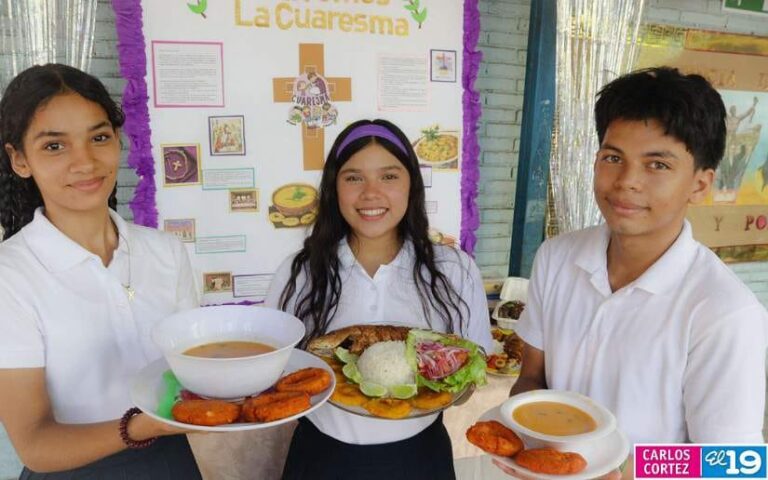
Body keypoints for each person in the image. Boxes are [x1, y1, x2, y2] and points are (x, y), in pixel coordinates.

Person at [507, 67, 768, 467]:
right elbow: (533, 379)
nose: (627, 181)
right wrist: (530, 445)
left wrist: (621, 471)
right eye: (613, 157)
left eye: (657, 165)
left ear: (700, 184)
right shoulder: (556, 258)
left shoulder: (725, 313)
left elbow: (734, 465)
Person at [0, 64, 202, 479]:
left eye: (99, 137)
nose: (86, 162)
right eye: (55, 147)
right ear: (19, 159)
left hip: (175, 460)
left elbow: (189, 369)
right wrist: (142, 425)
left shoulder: (166, 251)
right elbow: (35, 445)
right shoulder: (11, 275)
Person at [265, 119, 493, 479]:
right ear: (334, 188)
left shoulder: (455, 269)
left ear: (411, 185)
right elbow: (273, 370)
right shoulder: (300, 271)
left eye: (389, 176)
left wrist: (436, 380)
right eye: (354, 177)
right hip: (321, 456)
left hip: (420, 457)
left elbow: (470, 374)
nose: (371, 193)